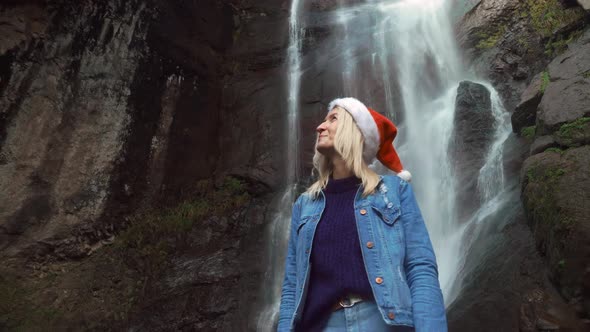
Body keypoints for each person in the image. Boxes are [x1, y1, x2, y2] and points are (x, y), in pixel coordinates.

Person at [277, 97, 447, 332]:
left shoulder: (394, 191)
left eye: (333, 118)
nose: (320, 126)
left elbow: (420, 267)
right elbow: (291, 286)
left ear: (356, 130)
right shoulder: (304, 205)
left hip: (382, 321)